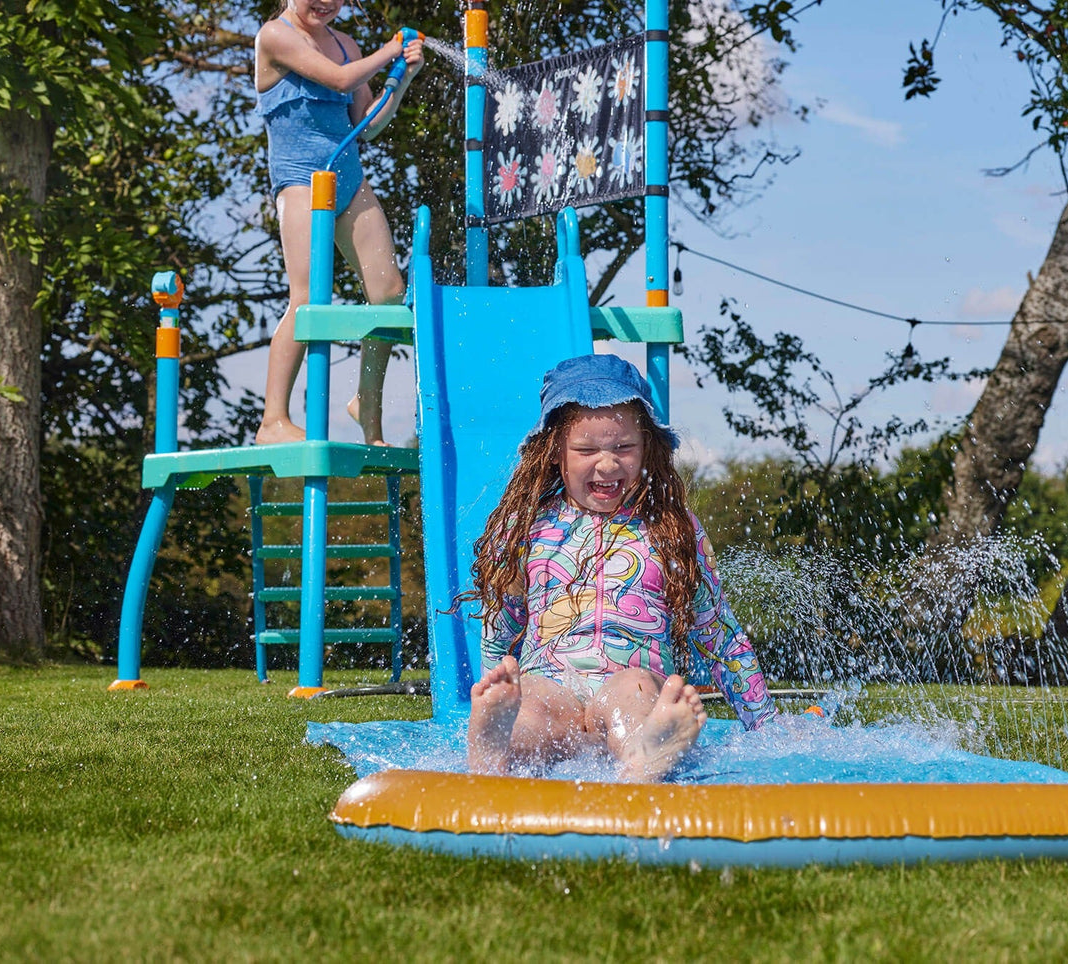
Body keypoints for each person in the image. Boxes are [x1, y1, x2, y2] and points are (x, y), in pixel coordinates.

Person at [466, 354, 778, 782]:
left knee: (634, 693)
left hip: (631, 673)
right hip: (551, 680)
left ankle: (645, 755)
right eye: (587, 449)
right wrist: (498, 685)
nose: (608, 463)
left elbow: (717, 632)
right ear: (555, 451)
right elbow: (500, 626)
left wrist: (765, 724)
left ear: (647, 446)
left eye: (624, 447)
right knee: (532, 708)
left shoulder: (672, 528)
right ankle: (496, 747)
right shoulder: (525, 526)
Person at [253, 1, 424, 445]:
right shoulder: (275, 35)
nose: (327, 3)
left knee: (389, 295)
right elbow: (340, 80)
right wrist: (389, 51)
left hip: (348, 177)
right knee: (307, 297)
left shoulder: (346, 45)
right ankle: (272, 420)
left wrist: (402, 80)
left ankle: (367, 402)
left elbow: (366, 125)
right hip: (299, 179)